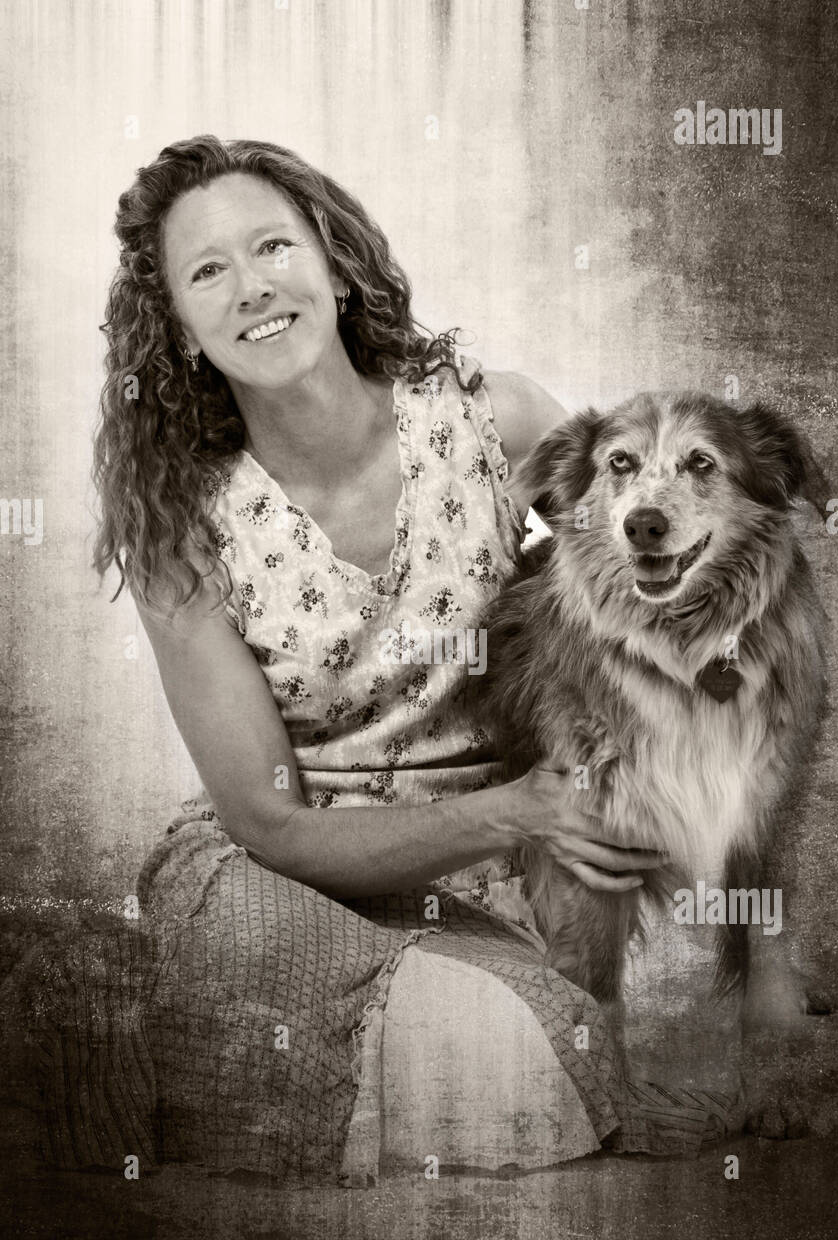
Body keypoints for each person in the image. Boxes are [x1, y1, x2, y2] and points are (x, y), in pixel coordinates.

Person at [50, 135, 728, 1185]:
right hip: (283, 879)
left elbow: (657, 577)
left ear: (330, 258)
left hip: (493, 877)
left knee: (535, 1053)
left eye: (270, 245)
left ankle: (477, 1035)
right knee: (517, 1065)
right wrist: (516, 809)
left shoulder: (489, 421)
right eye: (207, 271)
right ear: (179, 329)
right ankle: (142, 1052)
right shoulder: (179, 524)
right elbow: (269, 823)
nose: (251, 287)